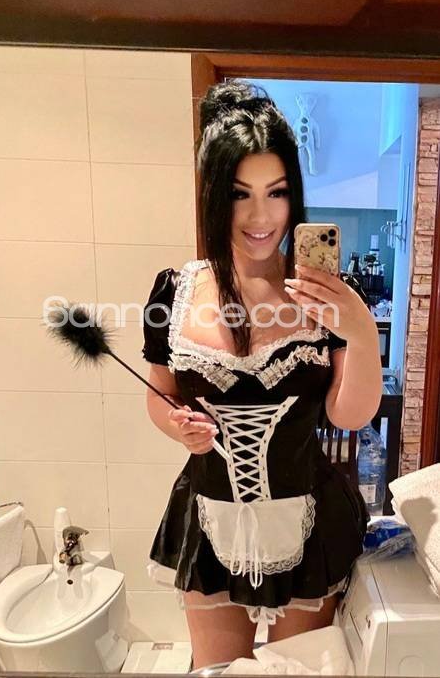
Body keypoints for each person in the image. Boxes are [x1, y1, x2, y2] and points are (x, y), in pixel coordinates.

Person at [141, 79, 382, 669]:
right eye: (239, 194)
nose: (260, 216)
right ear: (212, 194)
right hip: (208, 518)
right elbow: (159, 396)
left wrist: (361, 332)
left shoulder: (325, 296)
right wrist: (178, 427)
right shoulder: (174, 292)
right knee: (216, 670)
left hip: (308, 522)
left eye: (277, 193)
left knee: (294, 670)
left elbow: (348, 414)